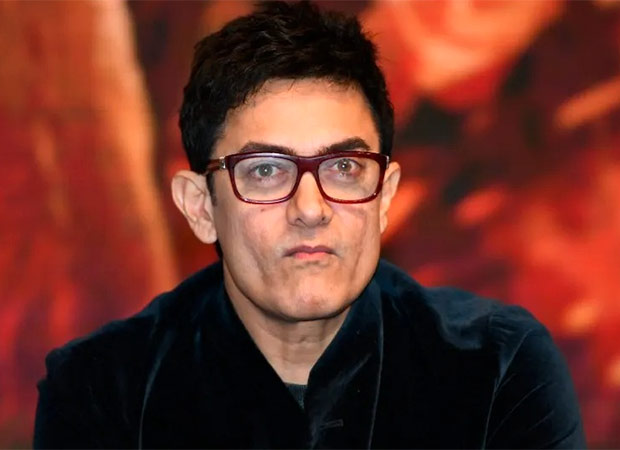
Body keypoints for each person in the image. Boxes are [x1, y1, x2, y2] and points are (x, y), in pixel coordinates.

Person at [33, 2, 585, 448]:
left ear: (385, 196)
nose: (311, 207)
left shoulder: (496, 368)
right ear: (200, 207)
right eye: (266, 170)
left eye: (344, 168)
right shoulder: (102, 389)